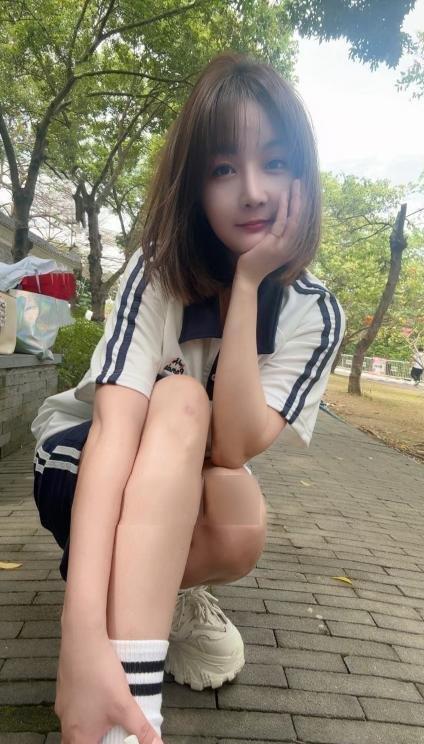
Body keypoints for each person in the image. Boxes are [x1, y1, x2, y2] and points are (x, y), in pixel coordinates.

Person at [31, 52, 345, 744]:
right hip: (79, 463)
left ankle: (151, 597)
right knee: (177, 398)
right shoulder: (158, 269)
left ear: (303, 174)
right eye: (224, 168)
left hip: (183, 474)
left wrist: (247, 287)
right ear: (195, 185)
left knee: (240, 517)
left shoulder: (314, 312)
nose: (253, 192)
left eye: (275, 163)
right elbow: (113, 436)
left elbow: (232, 448)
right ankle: (129, 706)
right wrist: (78, 638)